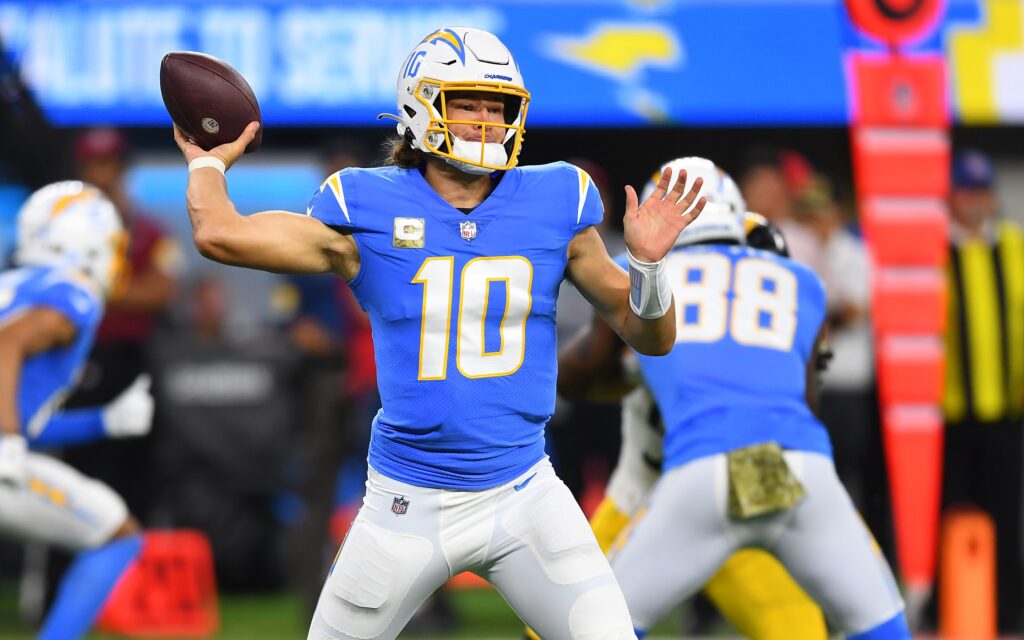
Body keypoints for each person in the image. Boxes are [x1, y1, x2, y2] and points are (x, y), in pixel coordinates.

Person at [173, 26, 705, 640]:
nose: (485, 120)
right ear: (421, 107)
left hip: (526, 492)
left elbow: (652, 337)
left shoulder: (556, 199)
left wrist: (648, 267)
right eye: (468, 104)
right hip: (407, 500)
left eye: (496, 106)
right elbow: (219, 234)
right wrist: (208, 162)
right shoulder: (364, 205)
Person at [560, 161, 910, 639]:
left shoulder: (640, 271)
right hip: (797, 466)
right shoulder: (801, 281)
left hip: (696, 473)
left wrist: (626, 368)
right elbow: (806, 399)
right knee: (881, 628)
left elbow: (573, 380)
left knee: (596, 627)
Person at [0, 181, 145, 640]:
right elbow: (8, 342)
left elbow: (28, 420)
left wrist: (103, 421)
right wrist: (6, 436)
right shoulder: (73, 290)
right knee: (118, 533)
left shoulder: (15, 283)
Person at [63, 126, 183, 519]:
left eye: (108, 164)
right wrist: (125, 287)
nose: (101, 174)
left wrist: (97, 283)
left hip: (133, 357)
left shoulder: (148, 231)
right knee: (79, 467)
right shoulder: (64, 229)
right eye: (93, 165)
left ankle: (134, 565)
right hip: (77, 357)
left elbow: (162, 292)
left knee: (137, 463)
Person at [940, 148, 1024, 632]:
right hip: (947, 409)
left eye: (982, 191)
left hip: (1005, 408)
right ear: (950, 196)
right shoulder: (933, 247)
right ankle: (953, 606)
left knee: (1005, 513)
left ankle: (1008, 608)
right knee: (952, 512)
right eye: (966, 191)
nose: (975, 202)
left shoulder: (1012, 244)